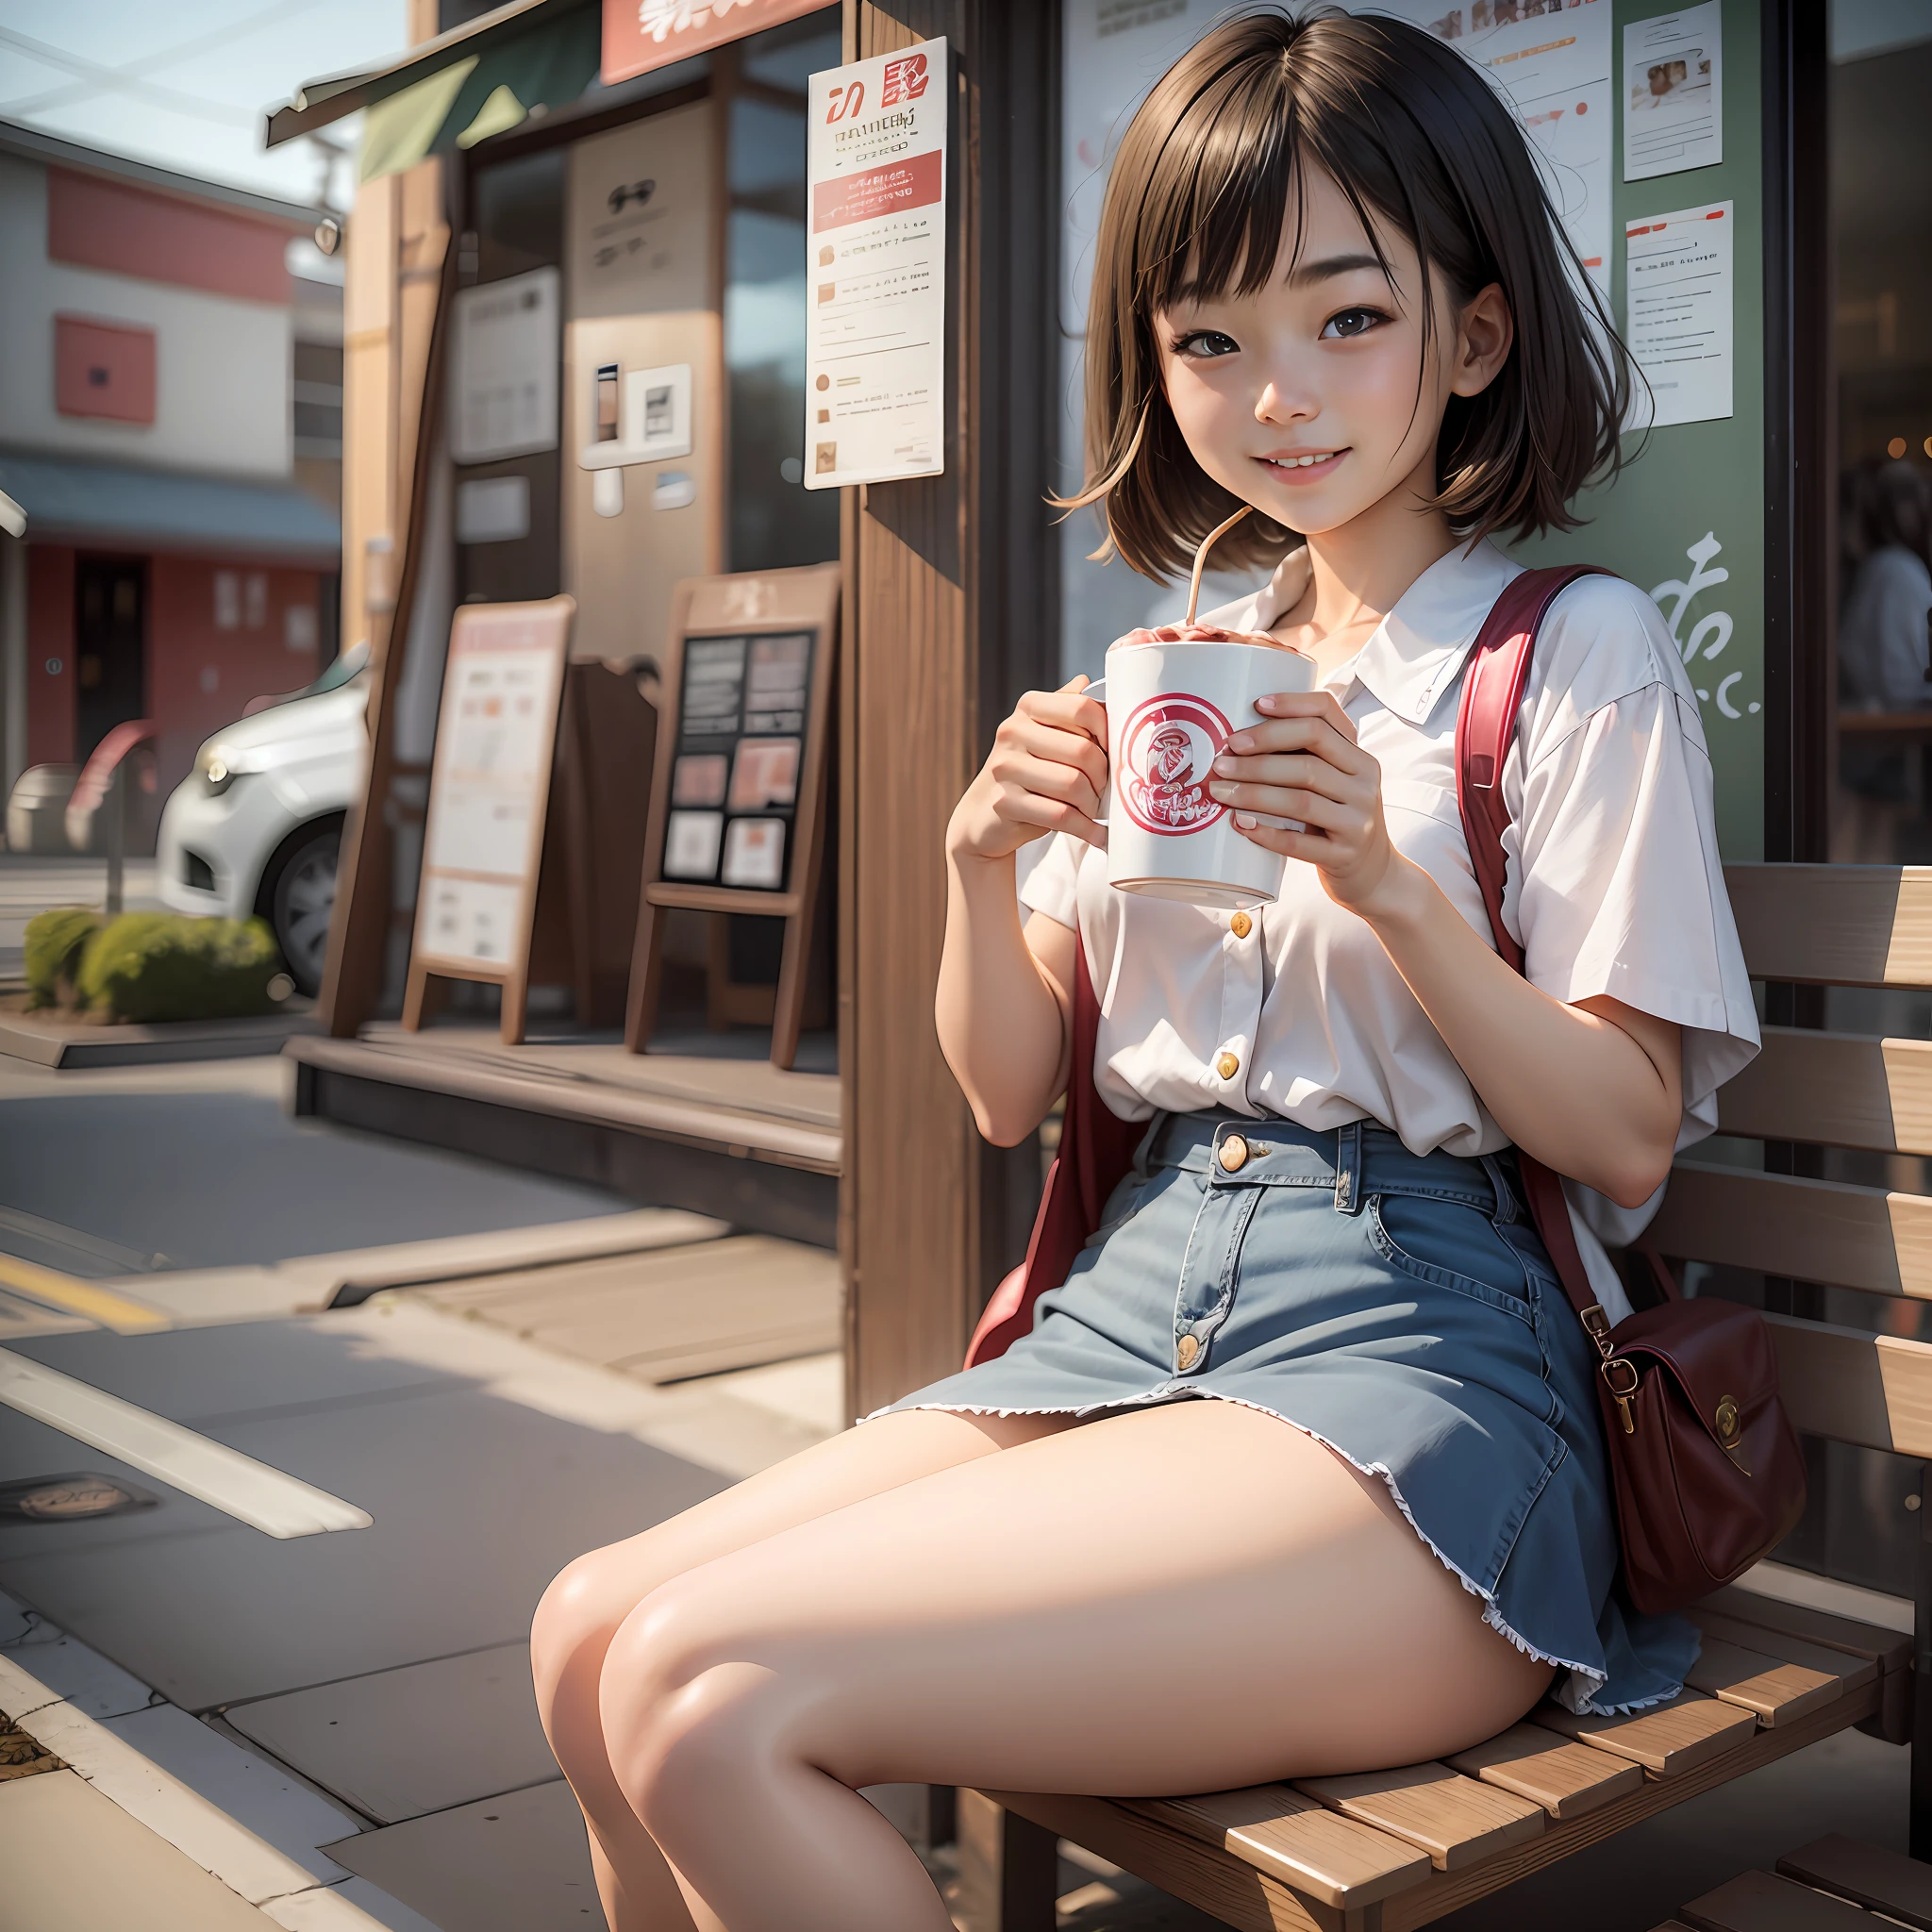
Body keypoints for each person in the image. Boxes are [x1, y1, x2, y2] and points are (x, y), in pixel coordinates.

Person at [529, 15, 1759, 1930]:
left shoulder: (1563, 652)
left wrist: (1385, 877)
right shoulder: (1185, 658)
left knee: (713, 1696)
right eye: (1207, 338)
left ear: (1475, 338)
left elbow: (1616, 1140)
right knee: (589, 1631)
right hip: (1138, 1304)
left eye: (1345, 319)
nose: (1276, 393)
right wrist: (971, 860)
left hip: (1427, 1367)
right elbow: (1004, 1087)